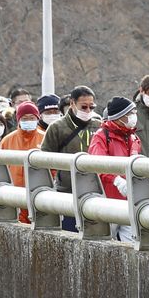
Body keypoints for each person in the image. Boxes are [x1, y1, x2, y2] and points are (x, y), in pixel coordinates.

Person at [42, 86, 102, 231]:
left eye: (91, 107)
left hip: (95, 191)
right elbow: (43, 159)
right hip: (67, 192)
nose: (88, 111)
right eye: (84, 107)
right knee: (70, 233)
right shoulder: (57, 127)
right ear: (72, 103)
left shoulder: (99, 126)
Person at [89, 96, 143, 242]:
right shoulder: (101, 137)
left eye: (134, 112)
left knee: (131, 246)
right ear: (120, 116)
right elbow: (98, 164)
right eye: (130, 113)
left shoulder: (133, 137)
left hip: (129, 202)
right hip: (107, 202)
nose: (134, 116)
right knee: (105, 245)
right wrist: (117, 181)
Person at [0, 101, 46, 224]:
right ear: (18, 119)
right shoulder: (7, 140)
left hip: (39, 195)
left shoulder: (45, 138)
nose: (29, 121)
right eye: (25, 118)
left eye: (32, 118)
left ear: (37, 118)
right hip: (14, 196)